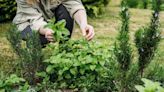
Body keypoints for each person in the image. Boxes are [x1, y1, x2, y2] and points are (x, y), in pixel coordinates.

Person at [13, 0, 95, 45]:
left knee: (66, 9)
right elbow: (36, 21)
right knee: (39, 38)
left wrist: (83, 24)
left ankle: (64, 48)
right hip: (26, 23)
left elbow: (74, 5)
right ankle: (33, 59)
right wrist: (47, 31)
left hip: (46, 20)